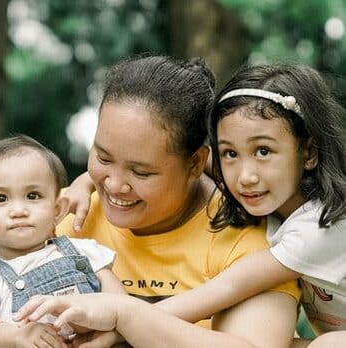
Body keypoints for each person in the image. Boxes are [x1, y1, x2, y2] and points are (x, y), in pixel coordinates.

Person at [0, 56, 300, 348]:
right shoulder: (71, 218)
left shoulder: (247, 242)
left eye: (141, 172)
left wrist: (126, 317)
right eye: (103, 157)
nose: (113, 185)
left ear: (195, 163)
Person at [147, 64, 346, 346]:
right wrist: (90, 182)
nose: (245, 176)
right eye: (230, 153)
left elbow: (225, 289)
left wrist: (128, 318)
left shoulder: (324, 225)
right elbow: (181, 164)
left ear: (309, 152)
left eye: (263, 151)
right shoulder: (272, 193)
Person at [0, 135, 125, 347]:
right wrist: (17, 337)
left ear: (57, 210)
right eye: (1, 199)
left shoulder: (82, 252)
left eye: (33, 196)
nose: (19, 211)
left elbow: (124, 306)